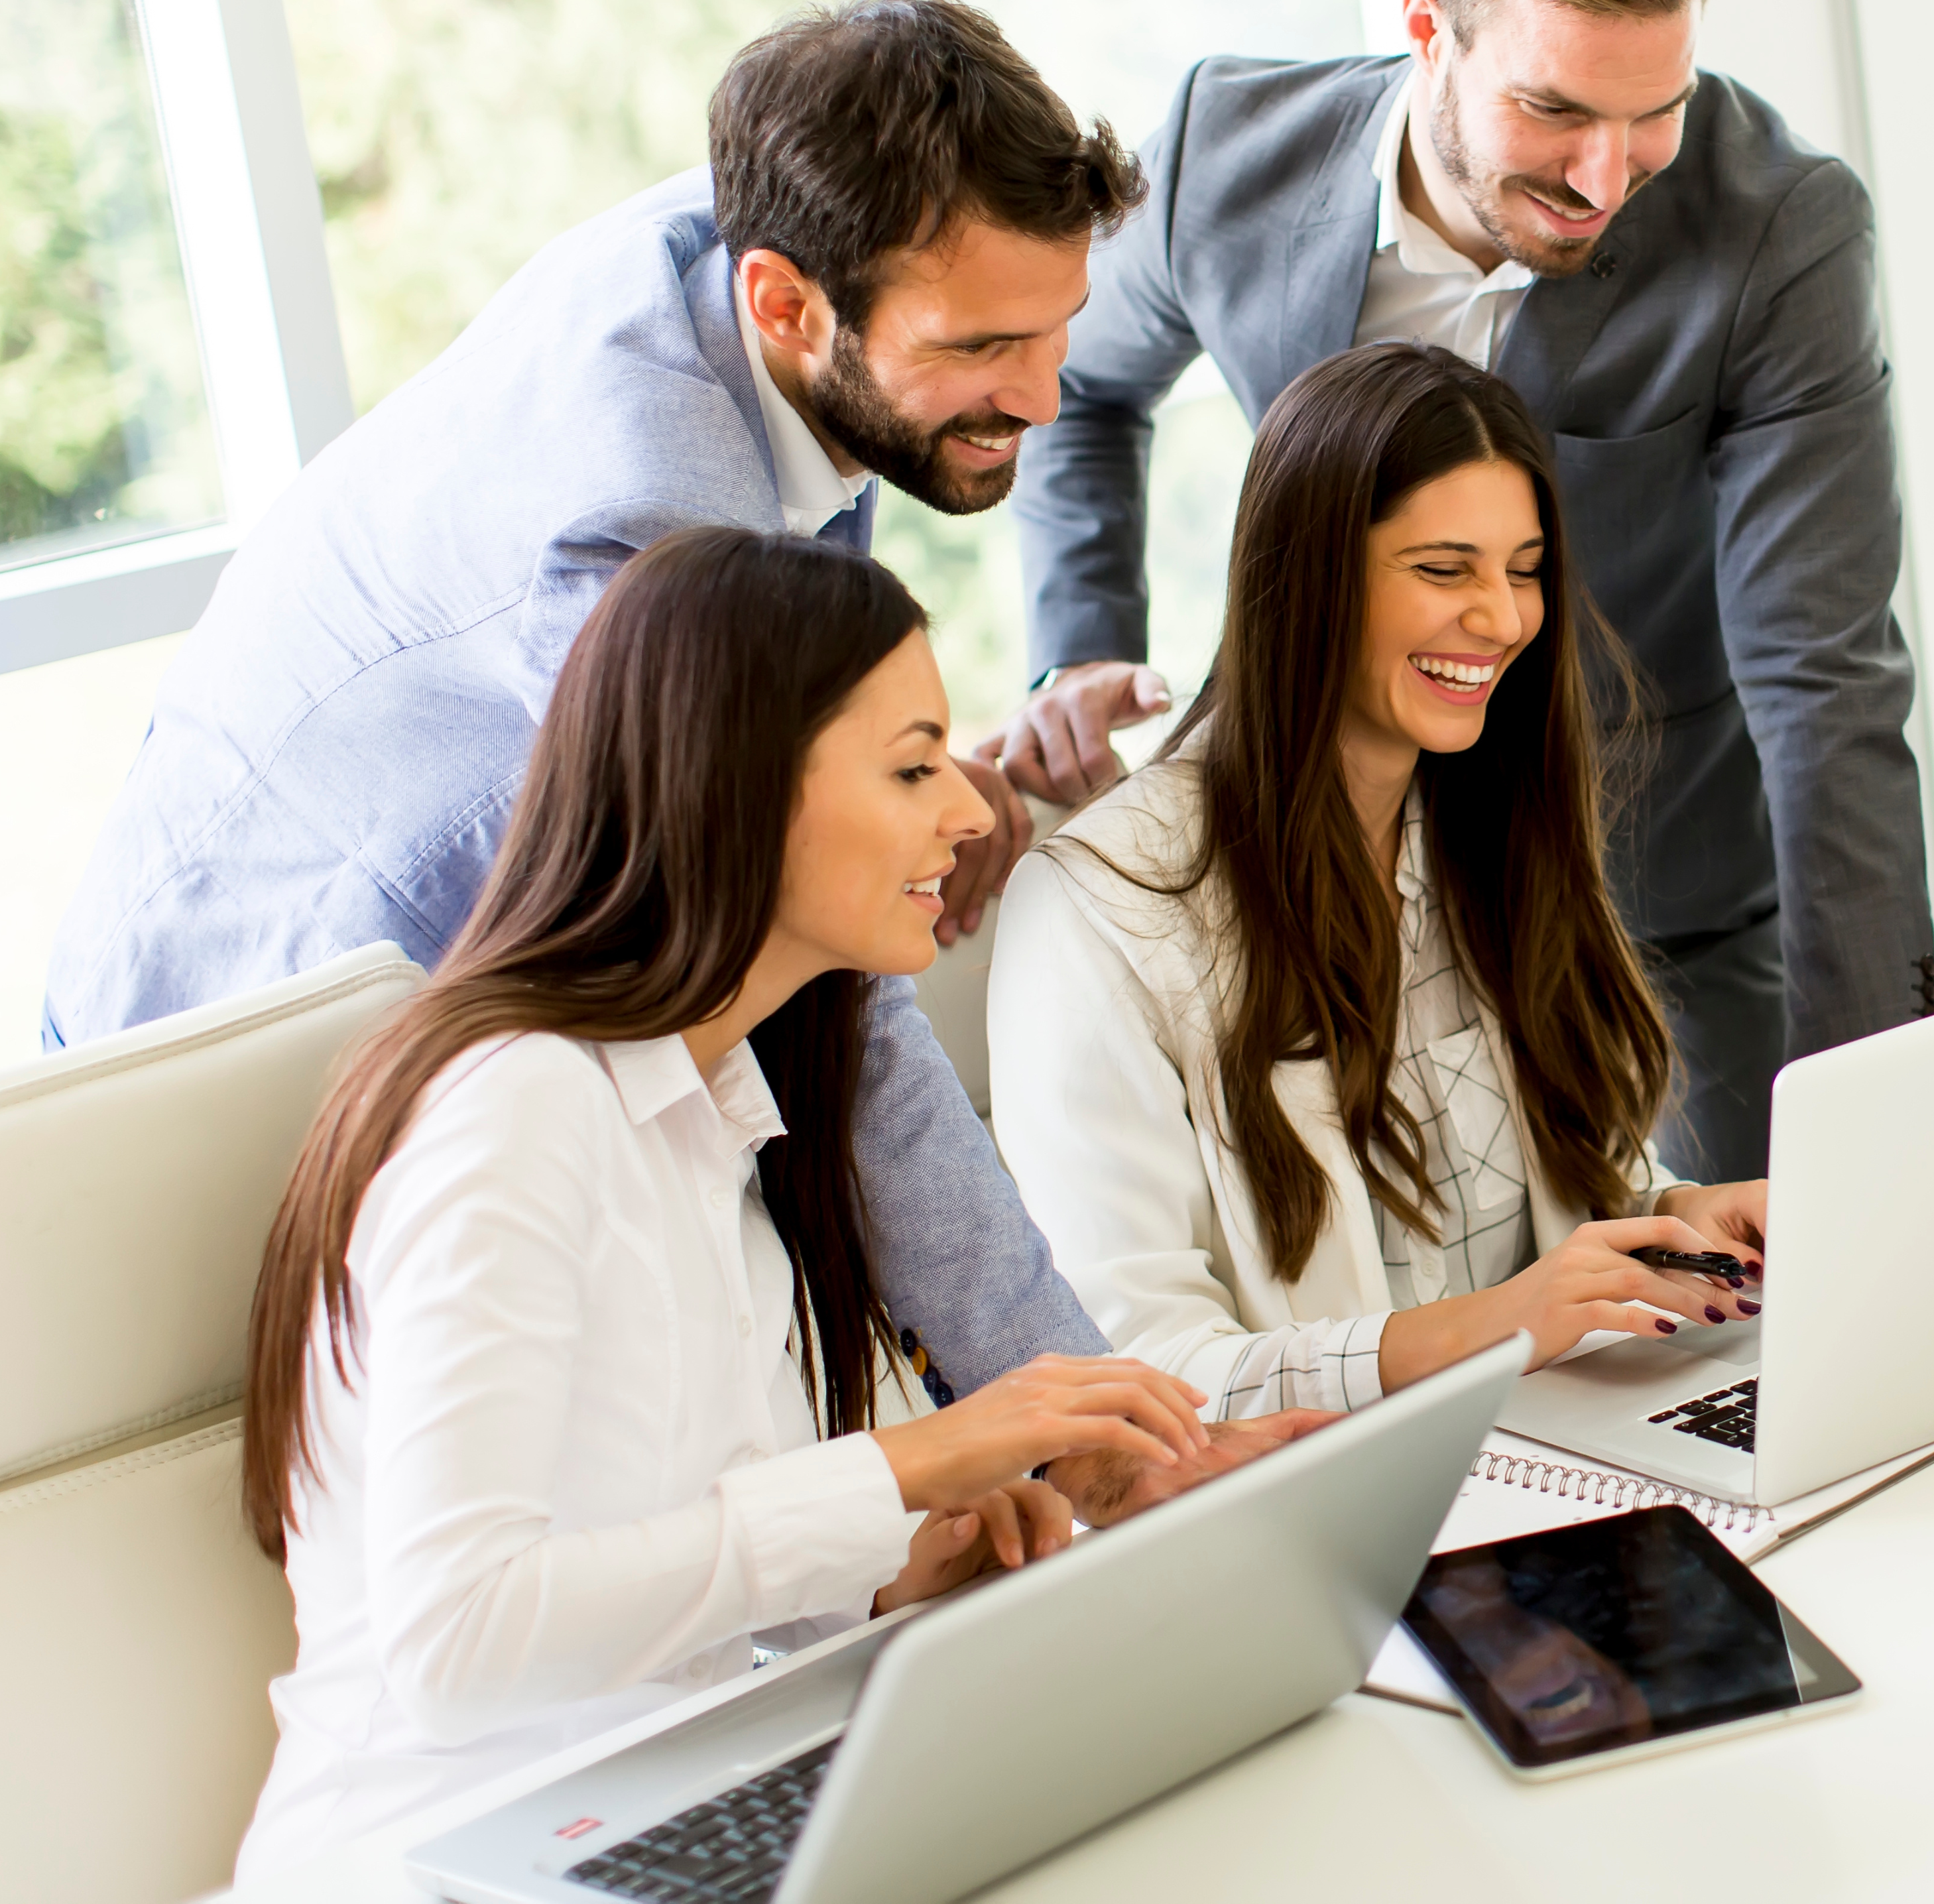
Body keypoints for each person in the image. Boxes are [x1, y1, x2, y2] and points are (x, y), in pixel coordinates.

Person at [45, 0, 1157, 1475]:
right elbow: (830, 979)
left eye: (1061, 328)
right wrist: (1081, 1412)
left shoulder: (791, 242)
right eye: (985, 346)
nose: (1041, 391)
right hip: (249, 1023)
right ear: (785, 305)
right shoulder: (629, 515)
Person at [230, 529, 1263, 1876]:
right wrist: (904, 1469)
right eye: (910, 767)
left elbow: (666, 1582)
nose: (966, 810)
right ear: (734, 789)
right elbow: (457, 1646)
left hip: (678, 1806)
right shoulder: (515, 1111)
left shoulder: (730, 1115)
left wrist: (891, 1580)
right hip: (446, 1857)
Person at [995, 0, 1934, 1181]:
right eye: (1552, 111)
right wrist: (1082, 637)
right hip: (1314, 888)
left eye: (1653, 114)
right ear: (1425, 26)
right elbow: (1071, 381)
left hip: (1650, 899)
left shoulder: (1778, 231)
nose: (1603, 177)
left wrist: (1874, 1098)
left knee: (1775, 1307)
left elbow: (1824, 677)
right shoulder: (1224, 152)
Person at [987, 342, 1769, 1415]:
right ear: (1308, 576)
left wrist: (1668, 1223)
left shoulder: (1486, 826)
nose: (1501, 619)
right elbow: (1139, 1376)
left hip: (1564, 1452)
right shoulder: (1097, 905)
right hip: (1327, 1524)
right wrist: (1489, 1328)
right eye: (1444, 571)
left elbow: (1499, 1243)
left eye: (1525, 568)